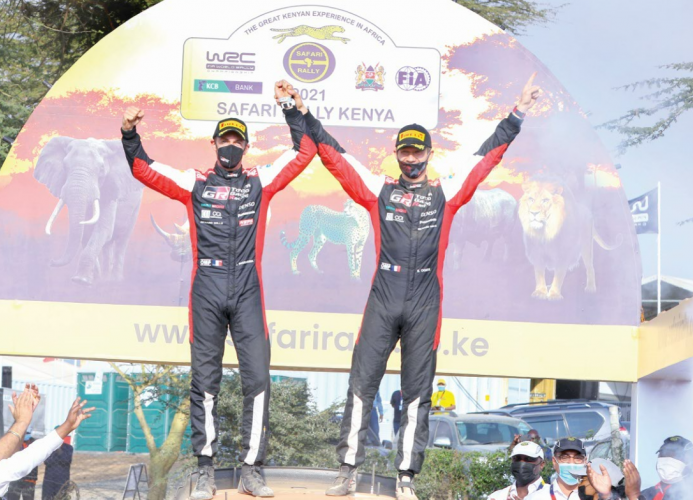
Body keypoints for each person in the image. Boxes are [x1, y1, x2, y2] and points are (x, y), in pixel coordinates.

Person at [304, 73, 541, 500]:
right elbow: (336, 159)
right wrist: (302, 114)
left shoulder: (445, 192)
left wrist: (517, 113)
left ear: (429, 154)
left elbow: (486, 158)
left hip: (424, 301)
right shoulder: (380, 190)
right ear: (396, 154)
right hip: (384, 295)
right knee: (361, 385)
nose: (411, 157)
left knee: (416, 395)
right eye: (405, 150)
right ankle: (347, 469)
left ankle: (406, 476)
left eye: (418, 150)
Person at [121, 79, 316, 500]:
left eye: (237, 140)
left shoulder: (259, 181)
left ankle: (252, 470)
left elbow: (304, 152)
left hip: (247, 286)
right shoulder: (196, 183)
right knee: (205, 381)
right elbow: (144, 168)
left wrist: (290, 108)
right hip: (206, 287)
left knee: (258, 380)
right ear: (214, 144)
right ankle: (206, 471)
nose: (230, 145)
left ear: (245, 147)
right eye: (224, 139)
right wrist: (129, 133)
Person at [523, 438, 618, 500]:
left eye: (577, 458)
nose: (571, 463)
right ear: (554, 461)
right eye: (564, 458)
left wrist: (607, 495)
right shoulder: (536, 498)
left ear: (585, 461)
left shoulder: (596, 496)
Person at [630, 436, 693, 500]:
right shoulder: (646, 494)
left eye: (677, 456)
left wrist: (634, 496)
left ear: (691, 466)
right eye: (664, 454)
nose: (668, 460)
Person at [42, 431, 74, 500]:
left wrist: (59, 451)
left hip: (62, 480)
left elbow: (67, 460)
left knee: (62, 497)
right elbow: (47, 461)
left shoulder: (69, 448)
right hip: (49, 480)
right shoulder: (49, 448)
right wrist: (56, 451)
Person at [9, 430, 38, 500]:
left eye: (27, 433)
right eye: (24, 433)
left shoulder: (35, 445)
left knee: (28, 497)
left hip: (30, 478)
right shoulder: (16, 443)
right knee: (13, 497)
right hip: (16, 477)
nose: (25, 435)